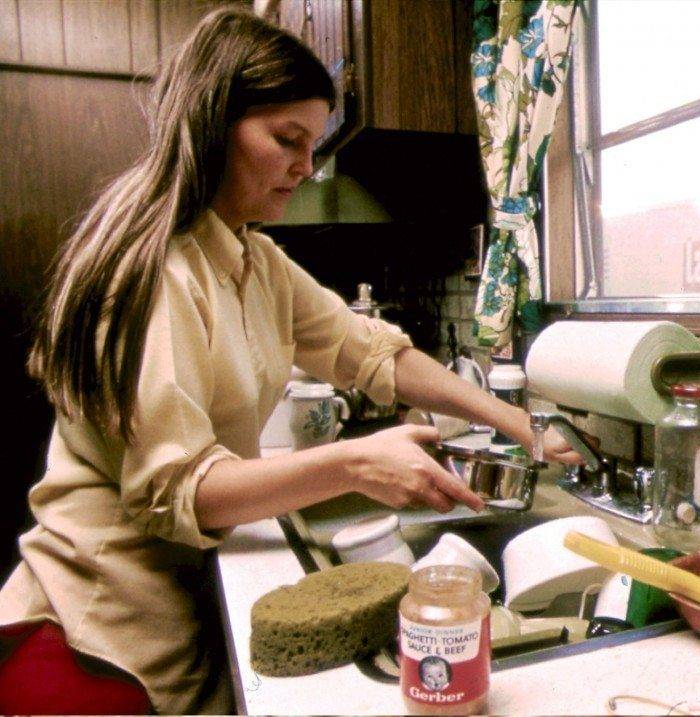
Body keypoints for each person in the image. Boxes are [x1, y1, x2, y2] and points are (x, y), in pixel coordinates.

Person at [0, 9, 581, 714]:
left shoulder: (253, 259)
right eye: (287, 140)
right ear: (214, 123)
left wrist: (517, 423)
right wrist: (357, 462)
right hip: (94, 645)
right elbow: (178, 491)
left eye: (314, 143)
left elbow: (370, 352)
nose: (307, 166)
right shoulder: (156, 274)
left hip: (165, 627)